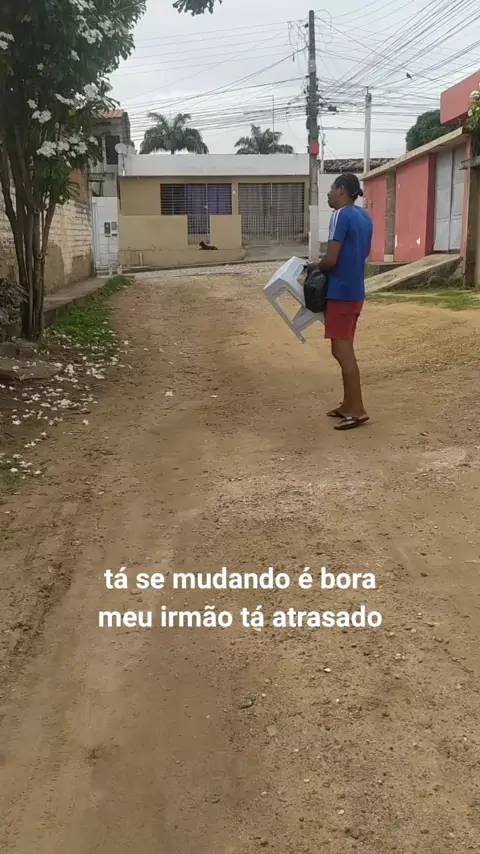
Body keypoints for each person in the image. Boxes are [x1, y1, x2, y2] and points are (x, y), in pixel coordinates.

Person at [312, 173, 373, 431]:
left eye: (331, 188)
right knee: (344, 348)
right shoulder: (364, 216)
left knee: (342, 351)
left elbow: (331, 259)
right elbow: (364, 252)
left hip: (340, 292)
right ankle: (348, 405)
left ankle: (357, 409)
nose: (328, 193)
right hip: (355, 291)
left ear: (341, 190)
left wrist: (313, 267)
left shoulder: (340, 215)